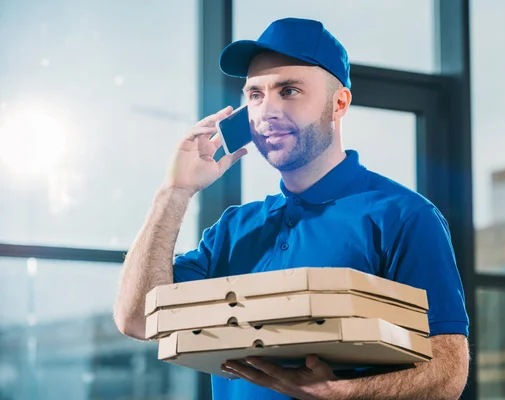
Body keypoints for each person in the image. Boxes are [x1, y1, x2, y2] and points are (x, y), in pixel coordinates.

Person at [114, 17, 470, 400]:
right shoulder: (233, 229)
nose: (267, 111)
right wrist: (174, 192)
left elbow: (449, 372)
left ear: (339, 103)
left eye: (289, 90)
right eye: (255, 94)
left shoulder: (403, 216)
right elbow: (137, 319)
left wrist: (341, 393)